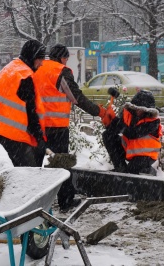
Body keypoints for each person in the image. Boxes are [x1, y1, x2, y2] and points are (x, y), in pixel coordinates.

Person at [33, 44, 106, 211]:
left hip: (37, 126)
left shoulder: (38, 69)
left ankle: (35, 203)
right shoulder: (61, 72)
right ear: (61, 57)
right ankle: (65, 201)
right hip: (57, 128)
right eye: (66, 58)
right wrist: (97, 111)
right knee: (62, 164)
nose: (67, 61)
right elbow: (75, 97)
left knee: (36, 166)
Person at [0, 39, 47, 167]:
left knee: (22, 168)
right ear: (33, 57)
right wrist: (39, 136)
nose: (42, 63)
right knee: (29, 171)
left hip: (2, 130)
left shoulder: (10, 68)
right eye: (40, 59)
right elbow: (30, 109)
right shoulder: (25, 75)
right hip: (13, 132)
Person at [101, 90, 162, 175]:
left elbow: (133, 133)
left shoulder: (153, 122)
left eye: (141, 109)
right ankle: (120, 168)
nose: (138, 111)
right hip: (131, 151)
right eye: (136, 108)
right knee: (108, 135)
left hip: (146, 156)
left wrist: (115, 121)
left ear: (148, 111)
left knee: (131, 173)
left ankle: (149, 171)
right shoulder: (130, 116)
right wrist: (110, 123)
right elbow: (118, 128)